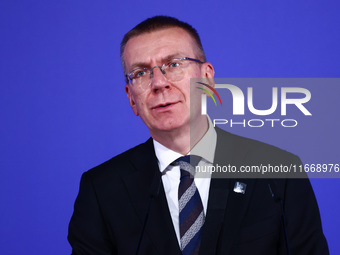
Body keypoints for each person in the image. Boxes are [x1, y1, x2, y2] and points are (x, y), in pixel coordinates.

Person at [68, 16, 329, 255]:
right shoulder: (102, 190)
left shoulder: (278, 172)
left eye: (173, 64)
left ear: (207, 78)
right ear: (131, 98)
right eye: (141, 73)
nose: (159, 83)